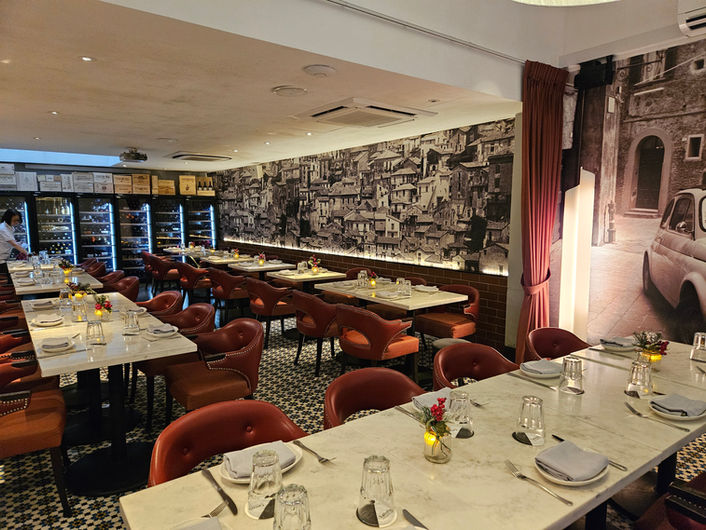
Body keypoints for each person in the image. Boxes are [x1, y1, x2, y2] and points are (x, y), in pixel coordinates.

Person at [0, 208, 28, 274]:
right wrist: (29, 254)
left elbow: (6, 242)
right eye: (14, 220)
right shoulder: (3, 229)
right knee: (19, 271)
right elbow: (14, 244)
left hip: (4, 259)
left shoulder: (9, 227)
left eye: (18, 220)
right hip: (1, 262)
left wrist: (18, 243)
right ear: (8, 219)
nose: (17, 222)